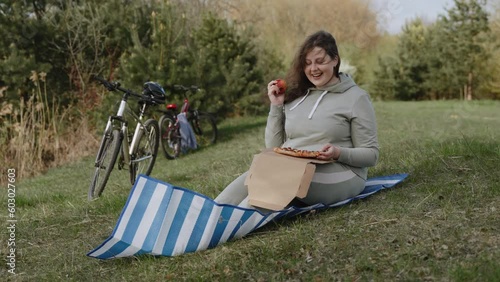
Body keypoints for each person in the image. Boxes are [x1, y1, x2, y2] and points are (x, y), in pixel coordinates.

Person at [215, 30, 379, 210]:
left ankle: (230, 225)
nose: (313, 69)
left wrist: (338, 152)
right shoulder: (298, 95)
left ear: (335, 60)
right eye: (307, 63)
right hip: (289, 166)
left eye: (320, 61)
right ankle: (210, 215)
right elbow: (274, 147)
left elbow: (371, 155)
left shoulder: (356, 97)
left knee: (276, 180)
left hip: (342, 172)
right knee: (256, 173)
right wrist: (276, 106)